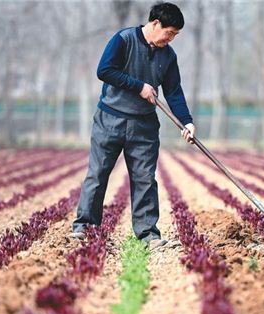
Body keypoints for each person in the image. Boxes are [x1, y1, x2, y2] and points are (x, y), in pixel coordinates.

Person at [69, 2, 195, 250]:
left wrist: (187, 122)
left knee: (145, 179)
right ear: (155, 23)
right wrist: (139, 86)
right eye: (169, 33)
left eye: (175, 36)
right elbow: (104, 70)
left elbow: (174, 92)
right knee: (98, 174)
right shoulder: (124, 40)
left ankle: (148, 234)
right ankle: (84, 227)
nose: (170, 39)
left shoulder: (168, 56)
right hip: (110, 120)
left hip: (144, 127)